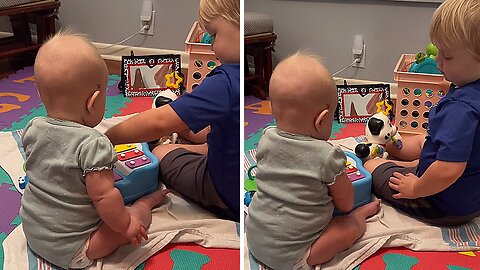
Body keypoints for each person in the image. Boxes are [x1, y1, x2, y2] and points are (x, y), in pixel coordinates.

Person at [20, 31, 169, 269]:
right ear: (93, 101)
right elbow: (104, 197)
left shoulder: (32, 127)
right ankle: (147, 205)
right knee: (129, 219)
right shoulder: (94, 144)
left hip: (34, 231)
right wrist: (126, 224)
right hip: (77, 247)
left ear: (40, 93)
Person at [105, 0, 240, 221]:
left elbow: (158, 123)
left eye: (214, 35)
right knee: (210, 130)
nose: (212, 46)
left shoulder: (224, 82)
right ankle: (186, 123)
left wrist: (107, 137)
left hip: (224, 194)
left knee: (159, 152)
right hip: (231, 165)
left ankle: (180, 125)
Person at [246, 52, 381, 270]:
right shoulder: (327, 156)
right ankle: (361, 218)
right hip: (292, 257)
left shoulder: (265, 139)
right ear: (321, 120)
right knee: (345, 229)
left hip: (255, 238)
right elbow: (345, 203)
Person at [364, 0, 480, 226]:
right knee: (422, 141)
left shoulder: (461, 110)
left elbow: (447, 170)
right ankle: (396, 149)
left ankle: (401, 166)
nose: (438, 61)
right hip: (470, 197)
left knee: (371, 165)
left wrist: (416, 188)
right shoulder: (469, 89)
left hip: (441, 203)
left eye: (447, 56)